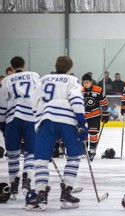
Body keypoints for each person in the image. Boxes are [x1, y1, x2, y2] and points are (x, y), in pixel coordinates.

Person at [25, 56, 88, 210]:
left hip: (46, 120)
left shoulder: (44, 79)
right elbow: (77, 100)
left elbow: (34, 101)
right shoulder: (72, 80)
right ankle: (66, 191)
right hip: (67, 121)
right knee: (73, 157)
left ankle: (40, 194)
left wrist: (37, 120)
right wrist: (81, 123)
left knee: (41, 160)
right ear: (69, 68)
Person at [0, 56, 40, 200]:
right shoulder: (34, 76)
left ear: (11, 66)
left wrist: (3, 125)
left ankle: (13, 187)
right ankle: (27, 179)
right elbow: (40, 96)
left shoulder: (5, 81)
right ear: (23, 65)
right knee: (31, 152)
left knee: (12, 154)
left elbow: (2, 105)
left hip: (12, 119)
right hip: (31, 118)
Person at [82, 73, 109, 161]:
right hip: (83, 116)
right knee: (84, 134)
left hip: (95, 116)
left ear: (91, 82)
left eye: (87, 82)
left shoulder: (98, 90)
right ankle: (84, 149)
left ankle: (92, 149)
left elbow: (104, 102)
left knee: (93, 133)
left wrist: (105, 113)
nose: (85, 84)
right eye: (84, 82)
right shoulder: (79, 91)